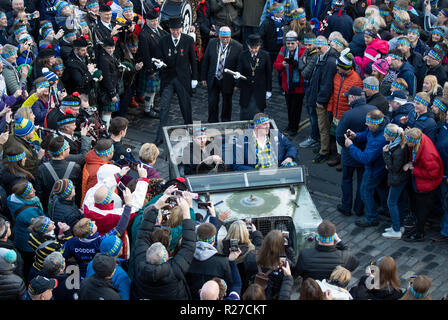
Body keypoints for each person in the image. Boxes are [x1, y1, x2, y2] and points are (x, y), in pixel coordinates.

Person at [131, 191, 195, 300]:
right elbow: (189, 245)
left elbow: (143, 232)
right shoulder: (175, 270)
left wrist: (158, 203)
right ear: (166, 256)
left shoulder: (139, 263)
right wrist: (188, 210)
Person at [153, 16, 199, 146]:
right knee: (164, 108)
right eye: (173, 30)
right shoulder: (163, 41)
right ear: (170, 29)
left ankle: (190, 133)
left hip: (183, 79)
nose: (175, 32)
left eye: (177, 29)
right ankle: (160, 136)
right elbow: (158, 56)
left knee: (186, 107)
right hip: (168, 78)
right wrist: (158, 63)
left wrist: (195, 78)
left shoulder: (188, 40)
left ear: (181, 29)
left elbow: (193, 61)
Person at [336, 86, 377, 217]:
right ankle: (359, 208)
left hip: (349, 154)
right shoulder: (373, 110)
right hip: (366, 152)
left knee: (347, 179)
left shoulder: (348, 114)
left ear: (353, 98)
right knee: (361, 182)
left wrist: (347, 146)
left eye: (348, 96)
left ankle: (346, 206)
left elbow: (339, 135)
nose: (347, 99)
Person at [344, 109, 389, 227]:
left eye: (368, 123)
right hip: (380, 167)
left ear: (375, 124)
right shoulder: (378, 129)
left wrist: (351, 146)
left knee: (365, 191)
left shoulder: (380, 140)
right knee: (381, 188)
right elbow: (367, 134)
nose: (366, 124)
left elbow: (365, 158)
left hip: (374, 170)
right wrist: (356, 135)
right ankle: (385, 208)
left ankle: (371, 217)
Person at [402, 128, 443, 242]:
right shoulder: (419, 139)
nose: (406, 144)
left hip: (427, 185)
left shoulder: (427, 154)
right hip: (421, 182)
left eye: (407, 142)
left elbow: (433, 173)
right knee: (417, 207)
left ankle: (420, 233)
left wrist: (413, 169)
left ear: (413, 142)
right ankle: (418, 226)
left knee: (422, 210)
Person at [326, 49, 363, 169]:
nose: (336, 68)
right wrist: (331, 108)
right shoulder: (337, 75)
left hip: (346, 115)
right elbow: (333, 93)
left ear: (345, 68)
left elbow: (357, 102)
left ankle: (344, 159)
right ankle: (339, 155)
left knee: (345, 137)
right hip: (336, 112)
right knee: (337, 137)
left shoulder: (356, 80)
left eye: (339, 67)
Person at [201, 26, 242, 123]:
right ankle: (212, 122)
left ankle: (225, 121)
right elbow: (206, 61)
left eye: (227, 37)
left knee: (227, 103)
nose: (225, 40)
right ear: (219, 36)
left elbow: (239, 66)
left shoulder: (238, 47)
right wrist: (203, 77)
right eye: (223, 37)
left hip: (227, 80)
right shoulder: (212, 43)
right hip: (214, 78)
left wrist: (237, 83)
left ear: (230, 36)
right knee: (212, 102)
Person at [308, 36, 339, 164]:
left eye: (319, 48)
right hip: (320, 97)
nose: (317, 51)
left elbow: (326, 84)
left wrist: (320, 100)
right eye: (316, 48)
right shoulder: (325, 57)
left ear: (326, 46)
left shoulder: (330, 61)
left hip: (323, 101)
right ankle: (324, 147)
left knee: (323, 127)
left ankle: (324, 151)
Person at [295, 220, 359, 280]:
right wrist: (339, 242)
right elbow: (354, 263)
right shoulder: (344, 257)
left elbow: (298, 272)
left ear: (318, 237)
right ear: (334, 236)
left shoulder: (305, 254)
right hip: (334, 289)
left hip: (312, 288)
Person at [232, 113, 298, 171]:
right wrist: (254, 172)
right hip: (258, 176)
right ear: (256, 126)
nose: (268, 126)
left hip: (278, 170)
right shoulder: (243, 141)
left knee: (293, 166)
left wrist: (289, 157)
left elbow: (291, 147)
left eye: (268, 123)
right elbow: (237, 165)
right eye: (264, 124)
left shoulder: (276, 135)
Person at [7, 180, 45, 276]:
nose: (35, 191)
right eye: (31, 191)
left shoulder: (11, 199)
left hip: (19, 235)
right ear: (24, 196)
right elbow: (42, 224)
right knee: (30, 263)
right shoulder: (29, 212)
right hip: (28, 243)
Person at [34, 136, 82, 211]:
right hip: (70, 208)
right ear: (63, 152)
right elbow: (79, 192)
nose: (69, 149)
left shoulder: (42, 168)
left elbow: (39, 193)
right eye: (68, 147)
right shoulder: (75, 168)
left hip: (50, 208)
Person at [274, 30, 305, 137]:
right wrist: (282, 65)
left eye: (292, 43)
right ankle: (290, 124)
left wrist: (297, 65)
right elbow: (276, 65)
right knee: (289, 106)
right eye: (288, 43)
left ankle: (294, 127)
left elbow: (305, 67)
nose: (290, 45)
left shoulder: (303, 50)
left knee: (296, 108)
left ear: (297, 42)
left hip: (299, 86)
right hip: (287, 85)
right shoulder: (283, 50)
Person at [233, 34, 272, 121]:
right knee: (245, 113)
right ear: (248, 46)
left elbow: (268, 74)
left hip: (260, 88)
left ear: (259, 46)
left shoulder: (265, 55)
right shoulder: (243, 55)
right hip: (246, 88)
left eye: (256, 48)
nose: (253, 50)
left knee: (258, 112)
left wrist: (269, 90)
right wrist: (237, 75)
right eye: (251, 48)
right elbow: (239, 68)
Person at [137, 8, 166, 118]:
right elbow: (145, 54)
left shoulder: (158, 29)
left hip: (158, 65)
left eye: (156, 20)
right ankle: (147, 109)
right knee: (150, 91)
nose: (155, 23)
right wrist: (150, 70)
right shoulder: (144, 34)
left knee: (154, 90)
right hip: (151, 67)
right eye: (152, 21)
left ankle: (152, 106)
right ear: (147, 21)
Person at [382, 123, 409, 239]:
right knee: (399, 202)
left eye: (386, 134)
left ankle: (396, 230)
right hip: (401, 178)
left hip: (398, 179)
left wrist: (385, 154)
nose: (384, 135)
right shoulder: (397, 143)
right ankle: (399, 225)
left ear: (391, 136)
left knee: (391, 202)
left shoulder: (398, 150)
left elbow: (394, 168)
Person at [85, 235, 130, 300]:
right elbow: (124, 297)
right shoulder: (122, 276)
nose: (122, 247)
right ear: (116, 252)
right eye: (121, 246)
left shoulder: (92, 263)